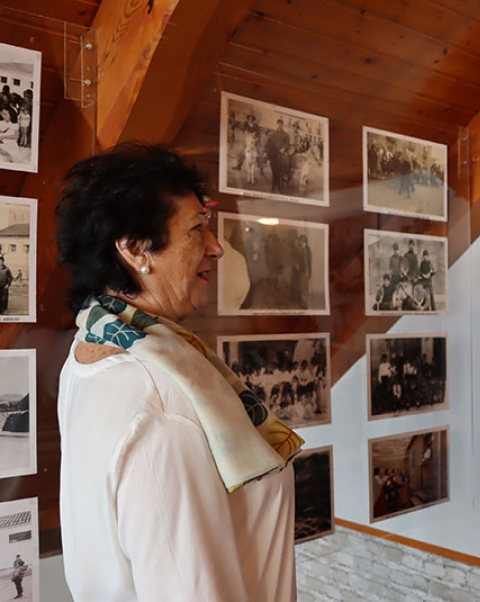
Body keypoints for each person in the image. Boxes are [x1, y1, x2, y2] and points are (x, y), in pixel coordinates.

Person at [54, 142, 303, 601]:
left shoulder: (89, 352)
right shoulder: (167, 408)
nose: (216, 247)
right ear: (134, 249)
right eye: (197, 229)